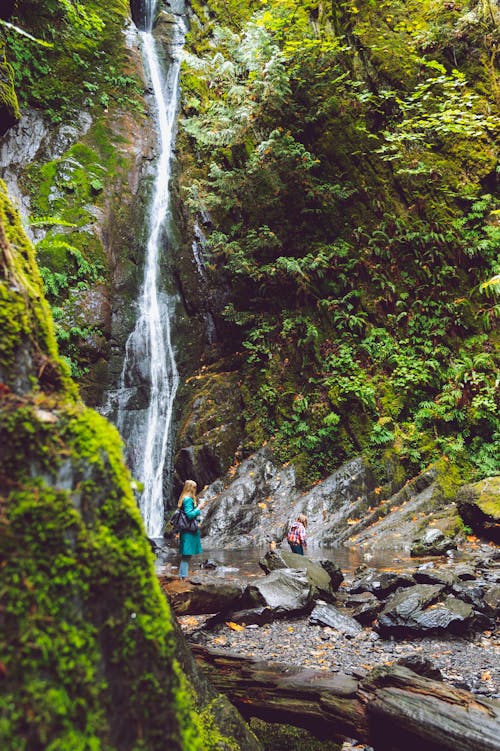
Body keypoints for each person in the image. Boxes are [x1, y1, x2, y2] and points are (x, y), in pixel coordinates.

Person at [177, 479, 203, 579]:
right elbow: (189, 515)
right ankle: (183, 576)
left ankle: (182, 575)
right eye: (194, 487)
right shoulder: (187, 499)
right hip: (188, 532)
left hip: (187, 531)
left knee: (187, 555)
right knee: (186, 555)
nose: (195, 489)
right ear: (190, 488)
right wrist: (198, 508)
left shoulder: (185, 498)